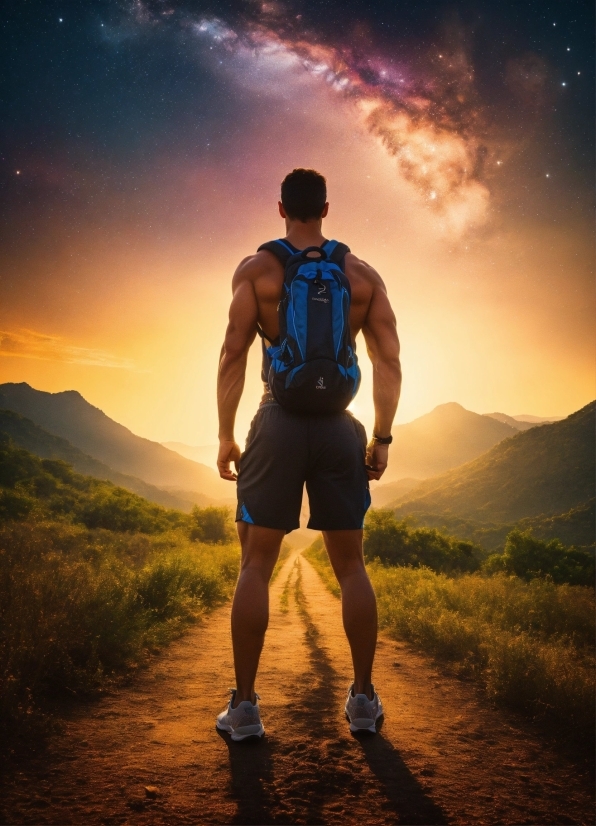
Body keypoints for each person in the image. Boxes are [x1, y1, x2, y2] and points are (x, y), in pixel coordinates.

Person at [215, 168, 401, 741]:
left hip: (277, 424)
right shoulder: (363, 276)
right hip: (339, 429)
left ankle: (244, 709)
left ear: (280, 210)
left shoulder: (258, 271)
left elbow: (232, 355)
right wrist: (381, 436)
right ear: (325, 207)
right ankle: (364, 701)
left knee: (255, 565)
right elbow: (389, 361)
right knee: (351, 568)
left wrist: (225, 434)